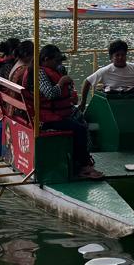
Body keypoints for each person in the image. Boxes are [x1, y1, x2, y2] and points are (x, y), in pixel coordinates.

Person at [35, 44, 103, 179]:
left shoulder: (55, 69)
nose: (58, 64)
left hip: (59, 113)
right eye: (56, 61)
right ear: (46, 59)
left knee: (81, 120)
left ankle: (80, 159)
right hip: (47, 118)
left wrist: (70, 93)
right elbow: (50, 94)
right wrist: (61, 82)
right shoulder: (40, 73)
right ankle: (82, 166)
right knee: (79, 129)